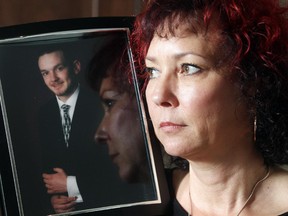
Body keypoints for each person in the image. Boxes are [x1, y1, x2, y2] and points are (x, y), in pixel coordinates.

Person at [131, 0, 288, 215]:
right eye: (153, 71)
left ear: (252, 82)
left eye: (188, 68)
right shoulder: (138, 201)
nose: (159, 95)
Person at [37, 45, 111, 214]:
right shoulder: (44, 114)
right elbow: (47, 171)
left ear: (76, 67)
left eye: (59, 68)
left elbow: (118, 176)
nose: (53, 78)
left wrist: (71, 185)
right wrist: (52, 201)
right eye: (45, 73)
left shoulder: (102, 105)